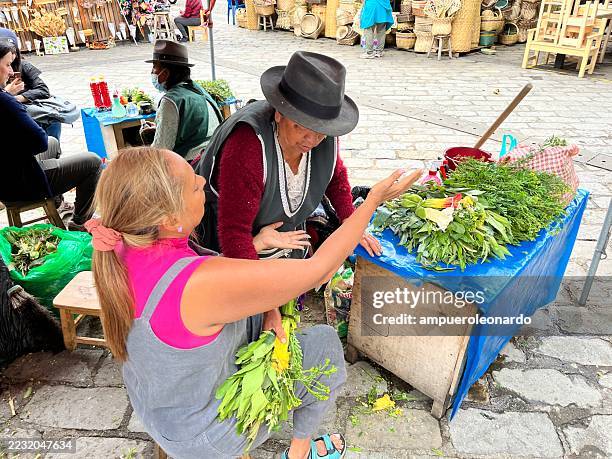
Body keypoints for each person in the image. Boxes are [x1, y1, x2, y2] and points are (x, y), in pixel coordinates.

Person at [86, 144, 421, 459]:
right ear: (167, 218)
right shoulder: (197, 284)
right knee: (324, 344)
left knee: (275, 327)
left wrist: (258, 259)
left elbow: (198, 288)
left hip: (163, 408)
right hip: (206, 432)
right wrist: (372, 201)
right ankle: (299, 451)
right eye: (192, 185)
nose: (203, 178)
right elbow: (318, 270)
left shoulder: (118, 242)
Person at [195, 51, 383, 261]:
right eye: (300, 127)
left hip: (286, 243)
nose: (311, 141)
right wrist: (254, 284)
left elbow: (334, 175)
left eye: (319, 132)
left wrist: (351, 223)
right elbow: (234, 234)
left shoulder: (326, 134)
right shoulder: (246, 146)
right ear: (279, 114)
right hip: (235, 247)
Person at [0, 41, 101, 229]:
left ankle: (55, 201)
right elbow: (38, 141)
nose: (10, 71)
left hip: (7, 175)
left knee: (53, 141)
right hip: (21, 182)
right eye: (6, 65)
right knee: (93, 162)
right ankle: (80, 221)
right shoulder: (6, 102)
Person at [141, 40, 223, 161]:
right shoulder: (197, 89)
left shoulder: (170, 100)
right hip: (215, 155)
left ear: (166, 73)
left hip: (192, 164)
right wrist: (158, 127)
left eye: (154, 66)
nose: (152, 72)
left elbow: (161, 150)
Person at [0, 28, 61, 139]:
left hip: (26, 106)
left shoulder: (23, 65)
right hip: (12, 111)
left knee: (52, 118)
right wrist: (7, 95)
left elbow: (43, 89)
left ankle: (54, 150)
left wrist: (19, 97)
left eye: (13, 50)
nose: (10, 72)